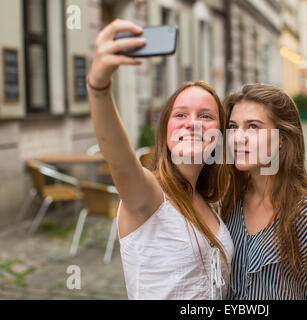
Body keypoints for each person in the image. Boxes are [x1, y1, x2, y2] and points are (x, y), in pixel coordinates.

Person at [87, 19, 234, 299]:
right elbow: (119, 158)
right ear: (166, 131)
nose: (193, 123)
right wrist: (99, 87)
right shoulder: (149, 195)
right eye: (180, 115)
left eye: (206, 116)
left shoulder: (209, 199)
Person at [221, 84, 307, 300]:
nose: (237, 137)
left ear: (282, 138)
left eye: (253, 127)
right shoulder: (228, 200)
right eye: (233, 126)